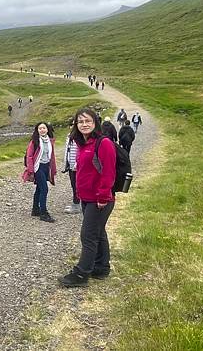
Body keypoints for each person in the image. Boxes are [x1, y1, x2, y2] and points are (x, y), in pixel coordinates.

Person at [58, 108, 116, 287]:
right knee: (98, 232)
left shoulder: (103, 143)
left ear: (95, 123)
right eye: (80, 121)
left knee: (88, 234)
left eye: (88, 121)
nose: (84, 124)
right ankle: (101, 267)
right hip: (88, 197)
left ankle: (82, 274)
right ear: (76, 124)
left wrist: (103, 196)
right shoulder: (82, 143)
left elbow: (108, 173)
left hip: (100, 199)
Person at [22, 122, 57, 222]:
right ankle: (43, 213)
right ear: (37, 130)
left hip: (46, 166)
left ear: (47, 129)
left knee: (39, 188)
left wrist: (53, 169)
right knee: (44, 189)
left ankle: (35, 209)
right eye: (40, 128)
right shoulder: (34, 142)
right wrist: (31, 170)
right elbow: (29, 156)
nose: (42, 130)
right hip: (38, 167)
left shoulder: (50, 141)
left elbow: (52, 156)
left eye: (44, 128)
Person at [63, 119, 81, 214]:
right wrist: (66, 164)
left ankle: (77, 205)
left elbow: (81, 152)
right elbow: (67, 152)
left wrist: (76, 164)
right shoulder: (69, 137)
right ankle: (76, 203)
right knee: (74, 185)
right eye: (71, 125)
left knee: (77, 185)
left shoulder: (80, 137)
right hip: (71, 166)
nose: (72, 127)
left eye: (74, 125)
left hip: (77, 167)